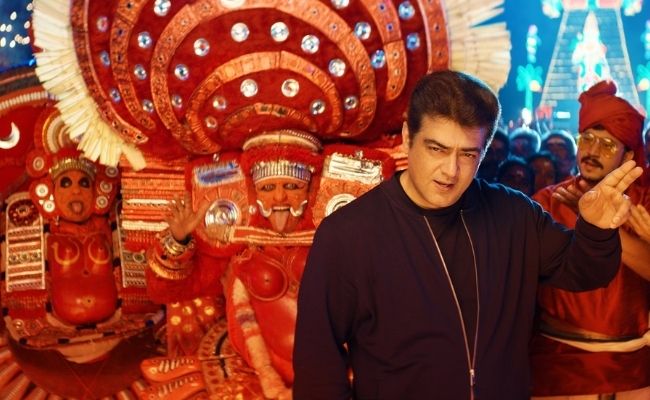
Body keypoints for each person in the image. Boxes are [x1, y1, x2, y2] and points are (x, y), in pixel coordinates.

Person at [292, 70, 643, 399]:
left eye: (468, 154)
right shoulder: (348, 234)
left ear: (484, 151)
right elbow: (317, 364)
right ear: (407, 136)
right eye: (437, 149)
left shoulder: (515, 215)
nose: (450, 170)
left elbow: (584, 272)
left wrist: (596, 230)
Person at [530, 80, 650, 399]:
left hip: (633, 364)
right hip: (558, 359)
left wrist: (597, 226)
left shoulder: (645, 203)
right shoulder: (548, 200)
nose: (593, 152)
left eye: (607, 145)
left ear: (628, 156)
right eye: (587, 139)